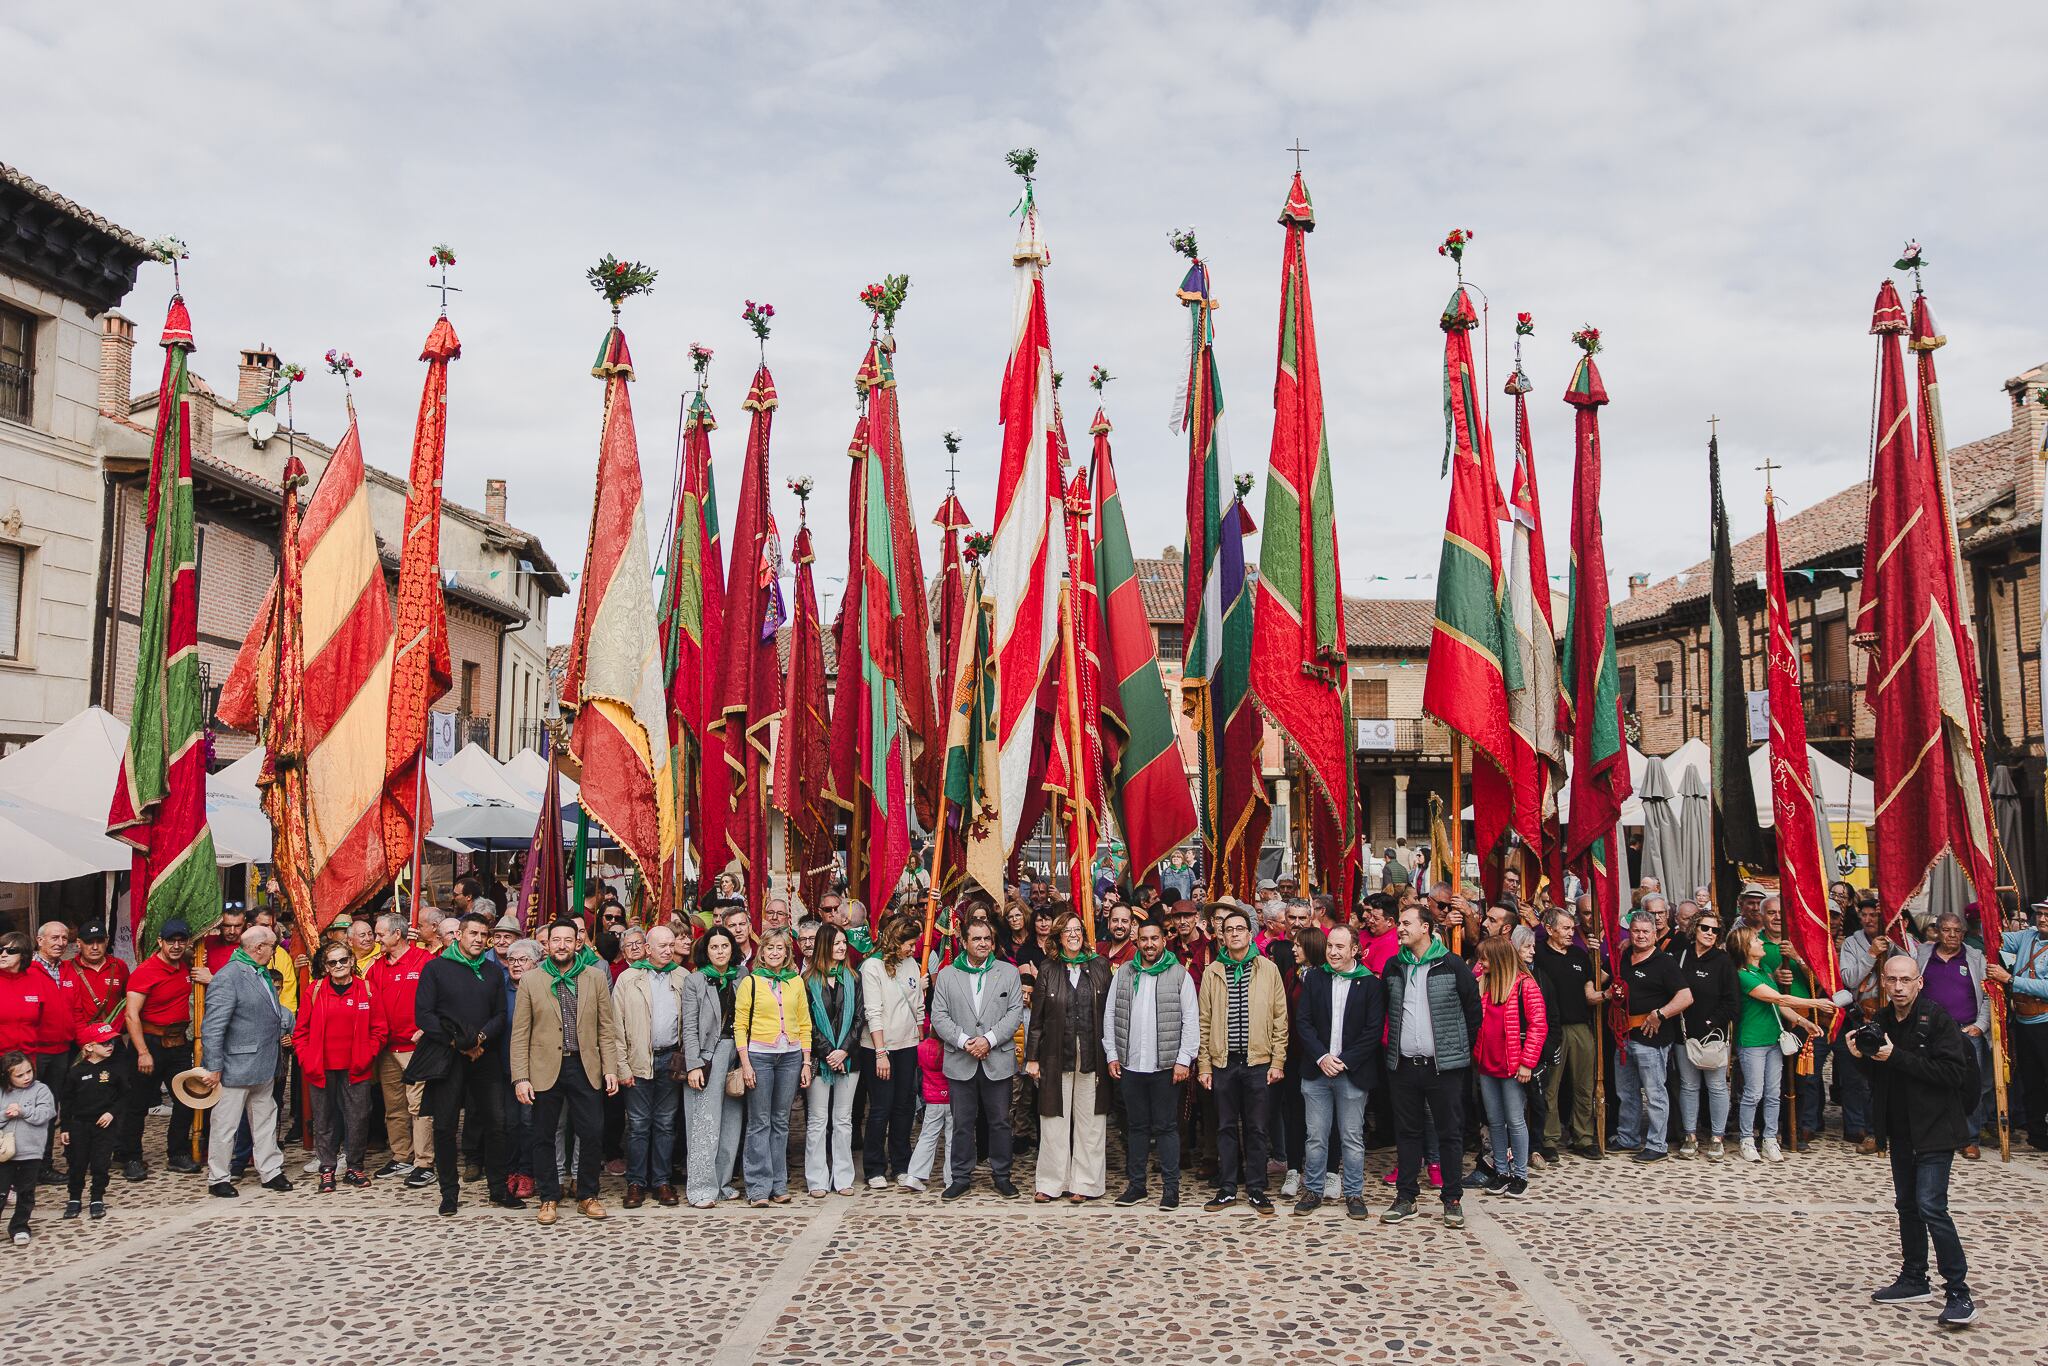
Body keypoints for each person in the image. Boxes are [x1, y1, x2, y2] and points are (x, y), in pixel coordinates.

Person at [1852, 954, 1980, 1328]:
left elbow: (1952, 1074)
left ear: (1919, 982)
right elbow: (1877, 1074)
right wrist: (1860, 1054)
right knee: (1907, 1205)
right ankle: (1913, 1278)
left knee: (1931, 1206)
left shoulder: (1937, 1020)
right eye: (1891, 980)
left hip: (1937, 1127)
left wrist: (1896, 1056)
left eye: (1905, 980)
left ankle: (1959, 1292)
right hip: (1901, 1127)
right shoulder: (1883, 1019)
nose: (1898, 987)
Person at [512, 920, 623, 1224]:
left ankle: (587, 1195)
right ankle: (549, 1197)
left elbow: (606, 1028)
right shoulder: (532, 980)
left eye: (567, 940)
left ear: (578, 944)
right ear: (546, 945)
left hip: (585, 1065)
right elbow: (520, 1034)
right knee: (544, 1134)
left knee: (592, 1132)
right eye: (555, 940)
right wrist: (521, 1077)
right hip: (544, 1067)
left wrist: (610, 1068)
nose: (561, 945)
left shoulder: (596, 978)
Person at [410, 911, 521, 1216]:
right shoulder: (436, 969)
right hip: (448, 1057)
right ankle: (449, 1193)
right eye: (474, 934)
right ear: (459, 935)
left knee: (497, 1124)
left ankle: (498, 1189)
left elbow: (500, 1014)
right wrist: (458, 1044)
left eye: (484, 936)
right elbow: (425, 1015)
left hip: (485, 1057)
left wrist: (480, 1039)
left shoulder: (492, 972)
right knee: (445, 1126)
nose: (480, 940)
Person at [1380, 903, 1481, 1228]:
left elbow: (1472, 1010)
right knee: (1407, 1133)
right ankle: (1405, 1197)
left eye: (1408, 923)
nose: (1401, 928)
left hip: (1444, 1067)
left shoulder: (1451, 965)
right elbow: (1387, 1008)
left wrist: (1457, 1048)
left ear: (1426, 927)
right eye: (1401, 924)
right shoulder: (1394, 966)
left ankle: (1451, 1199)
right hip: (1405, 1066)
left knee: (1449, 1133)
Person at [1197, 906, 1288, 1215]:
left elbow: (1280, 1018)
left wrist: (1278, 1061)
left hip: (1258, 1061)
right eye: (1229, 929)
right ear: (1222, 936)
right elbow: (1204, 1021)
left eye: (1240, 929)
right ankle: (1226, 1187)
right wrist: (1205, 1065)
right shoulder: (1213, 971)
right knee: (1224, 1126)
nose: (1234, 934)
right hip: (1224, 1062)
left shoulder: (1268, 968)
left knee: (1257, 1127)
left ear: (1250, 934)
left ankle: (1257, 1187)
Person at [1105, 919, 1199, 1209]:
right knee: (1136, 1128)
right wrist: (1112, 1054)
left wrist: (1184, 1060)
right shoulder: (1123, 973)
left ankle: (1171, 1190)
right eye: (1144, 939)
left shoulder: (1178, 974)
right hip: (1132, 1064)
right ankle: (1137, 1186)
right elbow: (1110, 1015)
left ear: (1163, 940)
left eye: (1154, 939)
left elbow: (1191, 1020)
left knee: (1167, 1127)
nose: (1149, 944)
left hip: (1166, 1066)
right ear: (1137, 941)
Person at [930, 918, 1027, 1199]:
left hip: (997, 1058)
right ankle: (960, 1176)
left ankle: (1002, 1175)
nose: (983, 943)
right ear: (964, 942)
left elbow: (1014, 1013)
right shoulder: (948, 975)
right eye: (977, 939)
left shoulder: (1007, 972)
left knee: (1000, 1121)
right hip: (961, 1060)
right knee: (962, 1121)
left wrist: (988, 1040)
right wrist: (964, 1042)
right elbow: (939, 1015)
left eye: (987, 939)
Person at [1293, 923, 1383, 1218]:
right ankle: (1314, 1189)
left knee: (1352, 1136)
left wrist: (1344, 1060)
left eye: (1339, 947)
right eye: (1330, 945)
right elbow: (1303, 1022)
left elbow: (1373, 1030)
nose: (1332, 951)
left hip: (1351, 1072)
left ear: (1354, 950)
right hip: (1317, 1070)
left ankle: (1354, 1193)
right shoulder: (1315, 978)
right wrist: (1321, 1056)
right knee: (1316, 1135)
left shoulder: (1369, 983)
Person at [198, 925, 295, 1198]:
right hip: (234, 1066)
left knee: (266, 1120)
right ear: (258, 948)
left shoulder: (260, 972)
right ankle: (219, 1176)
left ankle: (270, 1170)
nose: (274, 951)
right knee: (225, 1124)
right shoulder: (228, 977)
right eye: (273, 946)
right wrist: (214, 1066)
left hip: (264, 1062)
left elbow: (272, 1010)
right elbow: (213, 1026)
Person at [1026, 911, 1113, 1203]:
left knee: (1090, 1121)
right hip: (1054, 1056)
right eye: (1068, 930)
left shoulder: (1100, 966)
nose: (1073, 934)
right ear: (1058, 936)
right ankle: (1051, 1183)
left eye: (1078, 930)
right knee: (1053, 1120)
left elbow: (1110, 1015)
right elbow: (1036, 1019)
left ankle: (1085, 1183)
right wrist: (1032, 1057)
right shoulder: (1048, 969)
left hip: (1092, 1055)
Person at [1728, 926, 1831, 1162]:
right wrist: (1815, 1002)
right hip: (1753, 1041)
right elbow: (1778, 997)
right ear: (1745, 948)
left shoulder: (1763, 970)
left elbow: (1779, 1007)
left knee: (1774, 1092)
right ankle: (1746, 1139)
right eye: (1756, 939)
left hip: (1773, 1039)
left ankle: (1770, 1138)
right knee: (1753, 1093)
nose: (1761, 943)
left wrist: (1803, 1021)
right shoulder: (1742, 975)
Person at [295, 943, 386, 1192]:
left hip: (356, 1067)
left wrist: (368, 1053)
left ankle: (355, 1166)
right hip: (321, 1068)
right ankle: (327, 1168)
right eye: (332, 962)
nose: (338, 966)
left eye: (343, 961)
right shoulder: (315, 991)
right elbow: (300, 1030)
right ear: (325, 967)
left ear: (351, 961)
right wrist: (306, 1057)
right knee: (324, 1119)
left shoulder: (366, 989)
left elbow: (379, 1029)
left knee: (358, 1117)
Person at [1608, 909, 1694, 1163]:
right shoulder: (1623, 957)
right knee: (1627, 1092)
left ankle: (1657, 1145)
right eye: (1636, 931)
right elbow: (1602, 978)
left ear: (1655, 934)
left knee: (1655, 1093)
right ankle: (1628, 1138)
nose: (1641, 935)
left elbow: (1685, 997)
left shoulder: (1664, 962)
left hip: (1652, 1038)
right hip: (1623, 1036)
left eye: (1646, 931)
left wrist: (1660, 1013)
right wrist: (1593, 991)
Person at [735, 926, 812, 1205]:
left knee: (781, 1121)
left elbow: (805, 1023)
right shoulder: (751, 982)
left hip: (790, 1056)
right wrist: (745, 1063)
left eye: (780, 948)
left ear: (787, 952)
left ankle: (779, 1184)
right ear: (762, 952)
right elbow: (740, 1025)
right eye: (770, 948)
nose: (775, 952)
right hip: (760, 1055)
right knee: (759, 1121)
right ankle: (757, 1186)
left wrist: (806, 1061)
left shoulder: (796, 982)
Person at [612, 925, 686, 1208]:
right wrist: (622, 1066)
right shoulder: (628, 979)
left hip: (670, 1058)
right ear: (647, 948)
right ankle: (635, 1182)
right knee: (639, 1124)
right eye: (662, 946)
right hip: (638, 1059)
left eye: (671, 944)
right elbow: (615, 1026)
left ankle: (662, 1181)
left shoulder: (682, 977)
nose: (668, 950)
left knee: (666, 1123)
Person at [1471, 934, 1547, 1197]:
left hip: (1513, 1065)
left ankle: (1520, 1174)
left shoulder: (1525, 985)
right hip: (1487, 1063)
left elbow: (1539, 1025)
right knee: (1494, 1121)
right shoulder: (1484, 984)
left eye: (1485, 959)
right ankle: (1501, 1170)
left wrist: (1527, 1063)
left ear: (1499, 959)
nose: (1481, 963)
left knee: (1515, 1120)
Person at [1913, 914, 1991, 1161]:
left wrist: (1980, 1025)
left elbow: (1989, 994)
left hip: (1966, 1030)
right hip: (1930, 1030)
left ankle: (1969, 1139)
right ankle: (1930, 1134)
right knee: (1928, 1081)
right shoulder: (1923, 954)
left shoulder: (1975, 958)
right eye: (1947, 930)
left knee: (1970, 1085)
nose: (1952, 935)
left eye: (1957, 931)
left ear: (1963, 933)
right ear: (1937, 932)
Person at [367, 913, 437, 1188]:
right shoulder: (376, 967)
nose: (376, 938)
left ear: (397, 935)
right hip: (387, 1048)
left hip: (416, 1048)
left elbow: (439, 999)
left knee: (419, 1106)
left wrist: (428, 1029)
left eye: (380, 933)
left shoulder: (425, 962)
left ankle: (424, 1162)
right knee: (394, 1106)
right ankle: (400, 1155)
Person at [681, 927, 744, 1208]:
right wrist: (694, 1064)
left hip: (737, 1052)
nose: (720, 952)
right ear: (706, 951)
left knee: (731, 1121)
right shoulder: (695, 980)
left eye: (725, 946)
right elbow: (690, 1026)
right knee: (704, 1123)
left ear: (733, 949)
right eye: (714, 947)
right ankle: (700, 1187)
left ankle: (722, 1182)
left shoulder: (742, 976)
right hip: (708, 1054)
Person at [860, 914, 925, 1190]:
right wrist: (880, 1052)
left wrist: (921, 1036)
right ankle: (874, 1166)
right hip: (880, 1047)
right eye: (909, 944)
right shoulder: (872, 967)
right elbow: (873, 1011)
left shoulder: (911, 964)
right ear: (895, 941)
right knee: (881, 1108)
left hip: (908, 1045)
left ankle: (901, 1162)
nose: (912, 949)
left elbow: (917, 1004)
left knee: (904, 1107)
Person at [1671, 913, 1740, 1159]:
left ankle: (1717, 1137)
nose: (1710, 933)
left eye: (1715, 930)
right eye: (1705, 928)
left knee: (1717, 1086)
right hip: (1683, 1034)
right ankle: (1690, 1135)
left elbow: (1733, 1003)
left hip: (1713, 1037)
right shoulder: (1681, 956)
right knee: (1689, 1086)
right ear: (1695, 929)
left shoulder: (1723, 961)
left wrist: (1712, 1022)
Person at [801, 922, 862, 1197]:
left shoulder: (854, 978)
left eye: (843, 943)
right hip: (819, 1059)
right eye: (836, 942)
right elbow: (808, 1022)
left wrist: (844, 1051)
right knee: (817, 1120)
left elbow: (860, 1019)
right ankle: (816, 1179)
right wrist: (828, 1052)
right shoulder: (808, 981)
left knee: (843, 1119)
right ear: (825, 945)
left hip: (849, 1059)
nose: (841, 947)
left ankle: (843, 1177)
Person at [1836, 901, 1903, 1151]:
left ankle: (1889, 1127)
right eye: (1863, 915)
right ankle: (1859, 1128)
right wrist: (1871, 954)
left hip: (1891, 1015)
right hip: (1861, 1013)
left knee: (1890, 1073)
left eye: (1873, 915)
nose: (1868, 919)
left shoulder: (1897, 941)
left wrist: (1892, 946)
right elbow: (1849, 978)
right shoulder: (1852, 943)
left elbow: (1911, 967)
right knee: (1857, 1075)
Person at [1994, 900, 2048, 1151]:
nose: (2042, 919)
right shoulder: (2028, 936)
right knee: (2031, 1079)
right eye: (2040, 914)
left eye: (2047, 915)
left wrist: (2011, 980)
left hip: (2045, 1021)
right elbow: (1998, 939)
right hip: (2024, 1020)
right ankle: (2037, 1134)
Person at [58, 1022, 125, 1221]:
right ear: (89, 1047)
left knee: (100, 1162)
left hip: (103, 1126)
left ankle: (97, 1198)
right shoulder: (76, 1072)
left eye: (111, 1042)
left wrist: (112, 1113)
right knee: (77, 1163)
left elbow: (124, 1096)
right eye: (104, 1043)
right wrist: (65, 1127)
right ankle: (74, 1198)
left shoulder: (116, 1069)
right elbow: (67, 1101)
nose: (110, 1046)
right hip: (79, 1125)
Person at [499, 939, 541, 1198]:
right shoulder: (500, 988)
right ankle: (510, 1170)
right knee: (508, 1123)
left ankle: (527, 1172)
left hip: (532, 1070)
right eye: (512, 960)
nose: (516, 964)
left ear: (536, 963)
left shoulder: (541, 988)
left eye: (522, 960)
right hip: (502, 1067)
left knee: (528, 1122)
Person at [1, 1051, 56, 1245]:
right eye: (19, 1075)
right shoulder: (2, 1092)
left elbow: (46, 1113)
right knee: (1, 1191)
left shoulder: (41, 1090)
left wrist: (23, 1111)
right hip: (4, 1153)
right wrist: (7, 1114)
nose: (26, 1078)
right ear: (8, 1076)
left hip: (31, 1151)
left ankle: (20, 1227)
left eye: (28, 1072)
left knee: (26, 1192)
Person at [70, 924, 129, 1037]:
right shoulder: (68, 968)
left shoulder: (119, 966)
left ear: (107, 941)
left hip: (112, 1035)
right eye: (89, 942)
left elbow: (129, 1000)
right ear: (78, 943)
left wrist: (122, 1025)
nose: (95, 947)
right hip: (80, 1037)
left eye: (100, 942)